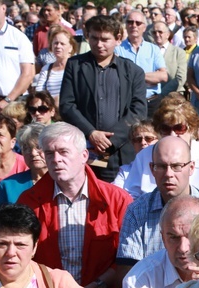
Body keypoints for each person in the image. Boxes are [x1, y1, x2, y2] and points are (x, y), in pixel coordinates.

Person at [18, 122, 131, 288]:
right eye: (49, 153)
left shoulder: (117, 200)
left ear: (84, 155)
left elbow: (127, 257)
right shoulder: (28, 201)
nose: (56, 159)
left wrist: (95, 287)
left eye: (63, 152)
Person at [59, 15, 148, 182]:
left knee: (119, 199)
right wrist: (91, 133)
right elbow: (67, 105)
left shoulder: (133, 71)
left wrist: (110, 141)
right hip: (84, 148)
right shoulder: (75, 65)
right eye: (94, 38)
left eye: (105, 39)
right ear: (88, 36)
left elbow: (139, 111)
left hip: (119, 151)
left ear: (118, 39)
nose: (99, 44)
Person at [116, 135, 199, 282]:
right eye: (161, 166)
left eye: (176, 166)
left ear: (191, 168)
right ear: (152, 169)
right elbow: (129, 274)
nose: (168, 174)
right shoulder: (136, 212)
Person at [114, 95, 199, 201]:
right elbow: (131, 196)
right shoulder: (145, 156)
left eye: (179, 128)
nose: (173, 135)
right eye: (166, 129)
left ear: (192, 129)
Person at [115, 10, 168, 115]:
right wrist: (150, 77)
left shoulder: (153, 49)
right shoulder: (117, 49)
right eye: (130, 22)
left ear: (144, 27)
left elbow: (163, 76)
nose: (134, 25)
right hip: (127, 104)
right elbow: (118, 77)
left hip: (152, 103)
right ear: (126, 26)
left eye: (138, 23)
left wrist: (135, 76)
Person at [0, 123, 47, 204]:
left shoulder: (61, 182)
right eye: (27, 148)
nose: (33, 153)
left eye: (39, 147)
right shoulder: (8, 185)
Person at [35, 26, 77, 102]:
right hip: (51, 110)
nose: (58, 46)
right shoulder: (46, 69)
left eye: (62, 44)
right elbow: (39, 93)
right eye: (55, 43)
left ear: (70, 47)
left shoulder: (77, 67)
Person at [151, 21, 188, 99]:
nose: (157, 35)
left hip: (173, 96)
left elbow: (180, 78)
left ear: (167, 34)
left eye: (160, 32)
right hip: (151, 97)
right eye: (154, 32)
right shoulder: (147, 51)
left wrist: (161, 94)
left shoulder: (179, 52)